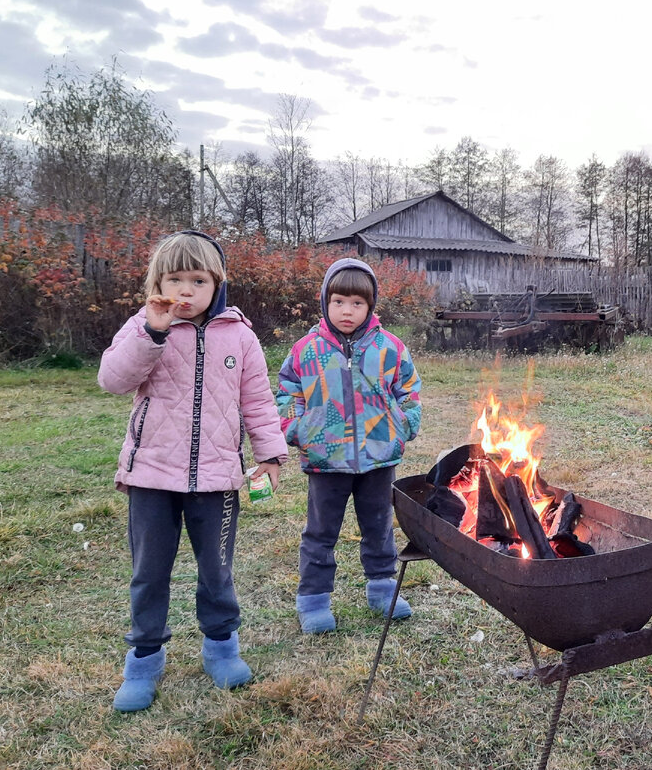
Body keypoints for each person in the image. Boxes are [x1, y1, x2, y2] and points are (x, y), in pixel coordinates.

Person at [98, 230, 288, 712]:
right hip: (151, 479)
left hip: (218, 480)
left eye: (198, 280)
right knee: (149, 572)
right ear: (156, 283)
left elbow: (258, 401)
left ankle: (221, 647)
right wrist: (153, 334)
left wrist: (270, 455)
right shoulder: (143, 326)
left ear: (217, 284)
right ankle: (144, 660)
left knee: (217, 571)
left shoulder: (240, 336)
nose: (186, 290)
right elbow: (113, 380)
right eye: (174, 279)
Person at [277, 257, 422, 633]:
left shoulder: (390, 348)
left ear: (370, 306)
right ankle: (313, 598)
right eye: (339, 301)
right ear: (325, 301)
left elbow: (408, 390)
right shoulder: (305, 350)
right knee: (321, 531)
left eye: (357, 303)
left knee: (378, 525)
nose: (347, 311)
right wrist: (297, 428)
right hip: (326, 459)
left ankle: (381, 586)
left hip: (378, 458)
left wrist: (404, 424)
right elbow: (287, 393)